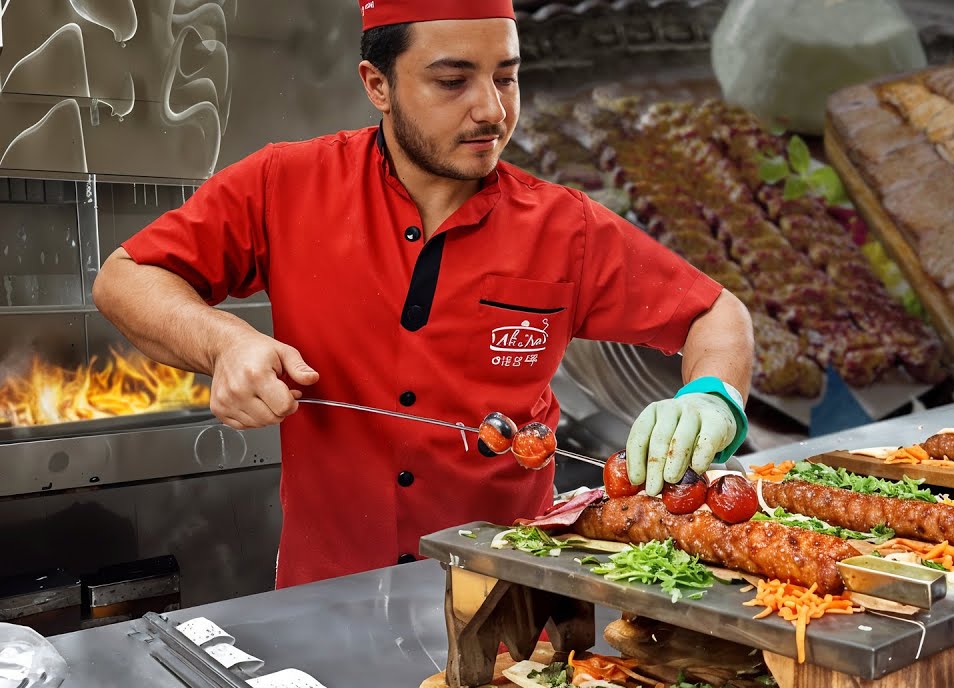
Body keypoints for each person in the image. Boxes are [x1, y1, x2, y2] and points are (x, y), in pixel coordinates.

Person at [92, 0, 753, 588]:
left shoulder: (566, 228)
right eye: (453, 81)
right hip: (328, 594)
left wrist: (711, 396)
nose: (492, 110)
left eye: (507, 76)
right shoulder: (284, 185)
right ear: (378, 84)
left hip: (510, 598)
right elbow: (126, 277)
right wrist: (225, 342)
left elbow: (717, 314)